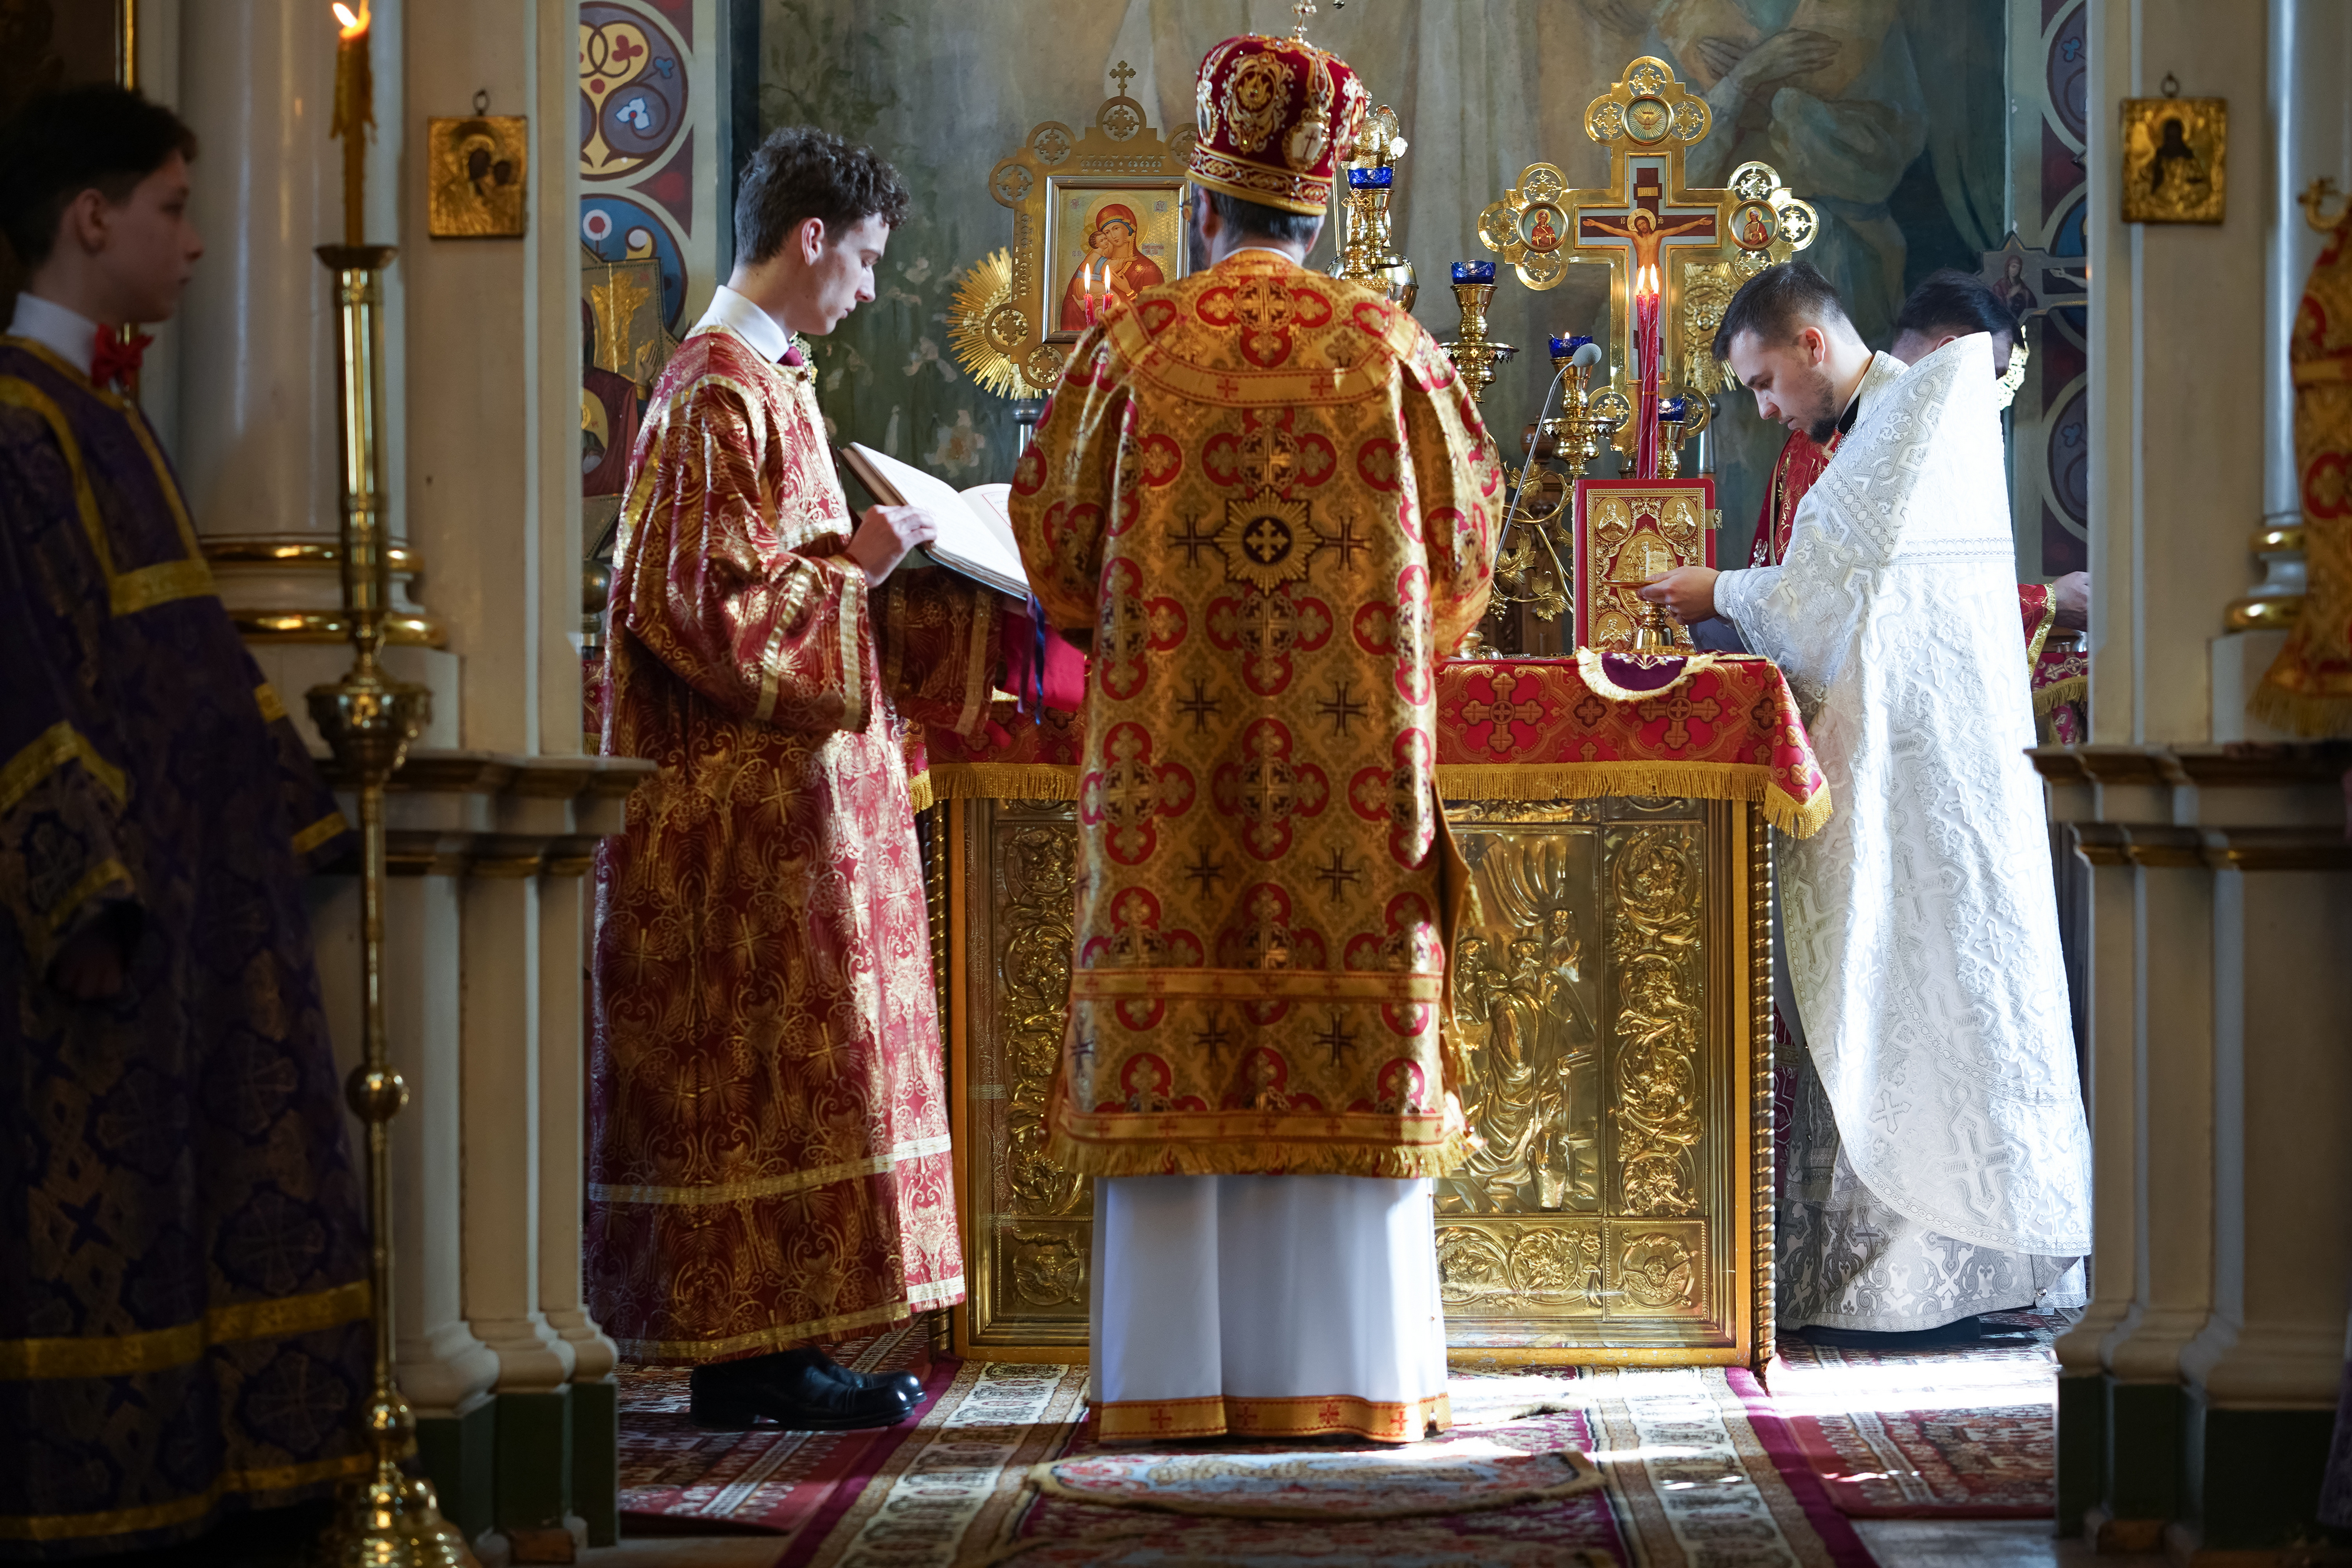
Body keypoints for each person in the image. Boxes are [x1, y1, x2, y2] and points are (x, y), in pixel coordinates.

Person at [1009, 29, 1499, 1443]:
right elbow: (1465, 562)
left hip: (1169, 788)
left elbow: (1052, 552)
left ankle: (1167, 1384)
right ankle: (1359, 1378)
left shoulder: (1129, 348)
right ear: (1323, 209)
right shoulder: (1388, 349)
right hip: (1351, 794)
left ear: (1198, 204)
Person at [588, 127, 1024, 1430]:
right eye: (868, 259)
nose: (873, 288)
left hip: (788, 810)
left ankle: (777, 1349)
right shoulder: (712, 390)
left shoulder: (771, 380)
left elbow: (776, 576)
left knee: (801, 1071)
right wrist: (865, 564)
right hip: (730, 830)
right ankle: (751, 1357)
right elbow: (701, 606)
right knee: (755, 1075)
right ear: (811, 237)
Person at [0, 86, 373, 1552]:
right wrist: (79, 893)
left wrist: (295, 818)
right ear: (92, 218)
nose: (198, 241)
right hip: (110, 934)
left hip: (204, 905)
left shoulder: (105, 418)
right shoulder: (19, 428)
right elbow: (22, 676)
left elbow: (191, 656)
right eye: (173, 207)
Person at [1640, 262, 2092, 1340]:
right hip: (1916, 777)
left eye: (1763, 382)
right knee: (1910, 1010)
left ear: (1810, 344)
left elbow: (1817, 606)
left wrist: (1716, 590)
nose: (1763, 409)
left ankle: (1941, 1278)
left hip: (1923, 788)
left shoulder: (1906, 418)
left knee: (1919, 1007)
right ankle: (1890, 1279)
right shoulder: (1893, 422)